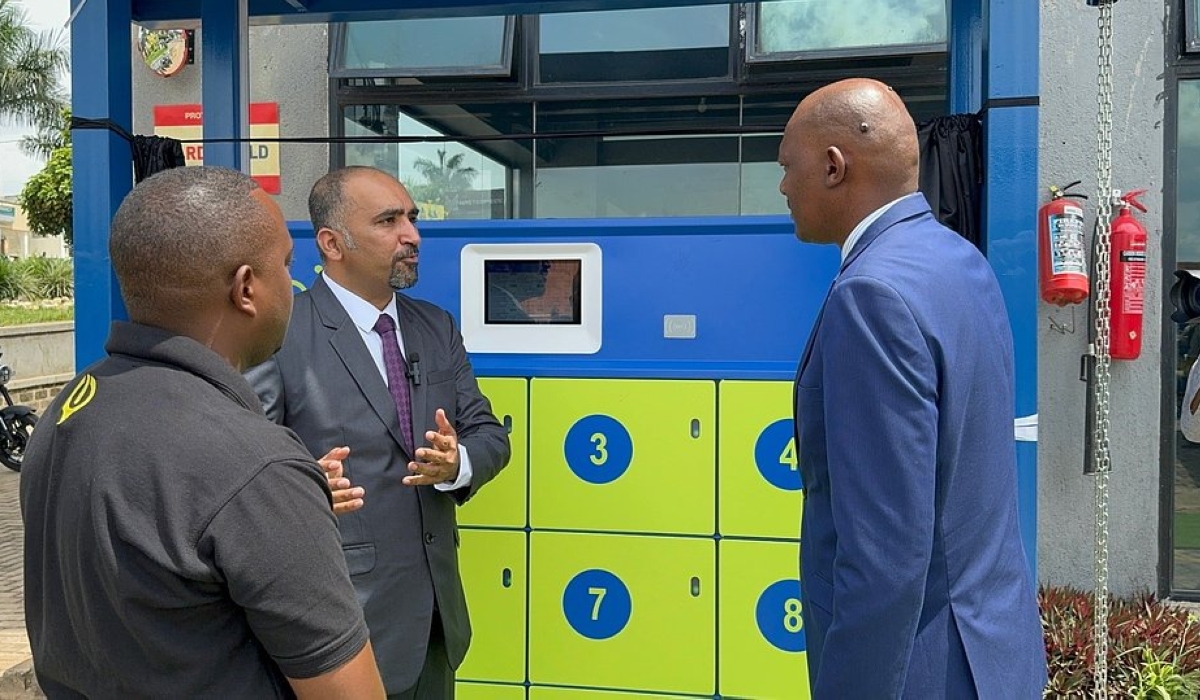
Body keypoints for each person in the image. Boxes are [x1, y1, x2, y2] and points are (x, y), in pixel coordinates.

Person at [20, 166, 385, 699]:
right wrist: (275, 499)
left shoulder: (73, 406)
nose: (294, 283)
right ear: (245, 288)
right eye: (286, 264)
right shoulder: (255, 466)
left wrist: (281, 512)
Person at [781, 79, 1047, 698]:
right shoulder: (959, 258)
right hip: (993, 654)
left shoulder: (869, 296)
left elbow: (884, 558)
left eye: (788, 166)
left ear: (833, 167)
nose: (784, 187)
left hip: (922, 672)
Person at [247, 165, 511, 699]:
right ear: (332, 244)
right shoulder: (281, 333)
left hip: (436, 625)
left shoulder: (436, 326)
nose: (411, 235)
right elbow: (245, 468)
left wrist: (456, 463)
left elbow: (488, 433)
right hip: (337, 631)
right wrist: (302, 486)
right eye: (389, 221)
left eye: (411, 218)